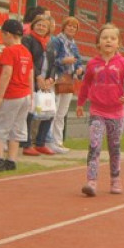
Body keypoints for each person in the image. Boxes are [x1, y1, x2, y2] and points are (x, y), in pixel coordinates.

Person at [75, 23, 124, 196]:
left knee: (114, 147)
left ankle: (115, 179)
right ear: (98, 42)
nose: (108, 41)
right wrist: (80, 104)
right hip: (97, 112)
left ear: (118, 43)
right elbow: (85, 85)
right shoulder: (92, 64)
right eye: (104, 38)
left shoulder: (123, 63)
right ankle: (91, 182)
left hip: (116, 113)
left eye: (112, 38)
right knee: (94, 145)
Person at [0, 19, 34, 173]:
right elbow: (30, 75)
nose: (2, 38)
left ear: (8, 34)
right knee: (16, 128)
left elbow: (7, 73)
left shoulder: (9, 51)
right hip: (24, 94)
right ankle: (11, 160)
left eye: (3, 34)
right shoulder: (26, 52)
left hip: (12, 94)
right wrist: (30, 96)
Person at [20, 14, 56, 156]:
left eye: (44, 26)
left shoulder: (50, 43)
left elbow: (53, 63)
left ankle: (41, 143)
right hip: (31, 80)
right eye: (38, 25)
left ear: (48, 29)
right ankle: (27, 144)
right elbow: (28, 59)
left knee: (49, 112)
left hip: (46, 83)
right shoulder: (27, 39)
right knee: (30, 113)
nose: (41, 27)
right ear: (33, 25)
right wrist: (38, 76)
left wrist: (51, 78)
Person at [48, 16, 85, 154]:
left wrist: (80, 69)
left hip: (69, 79)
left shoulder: (73, 44)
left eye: (74, 27)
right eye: (69, 26)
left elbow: (78, 61)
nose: (71, 28)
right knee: (54, 111)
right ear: (64, 27)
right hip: (57, 78)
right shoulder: (56, 41)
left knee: (62, 113)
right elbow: (51, 59)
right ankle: (49, 141)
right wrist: (64, 61)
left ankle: (58, 141)